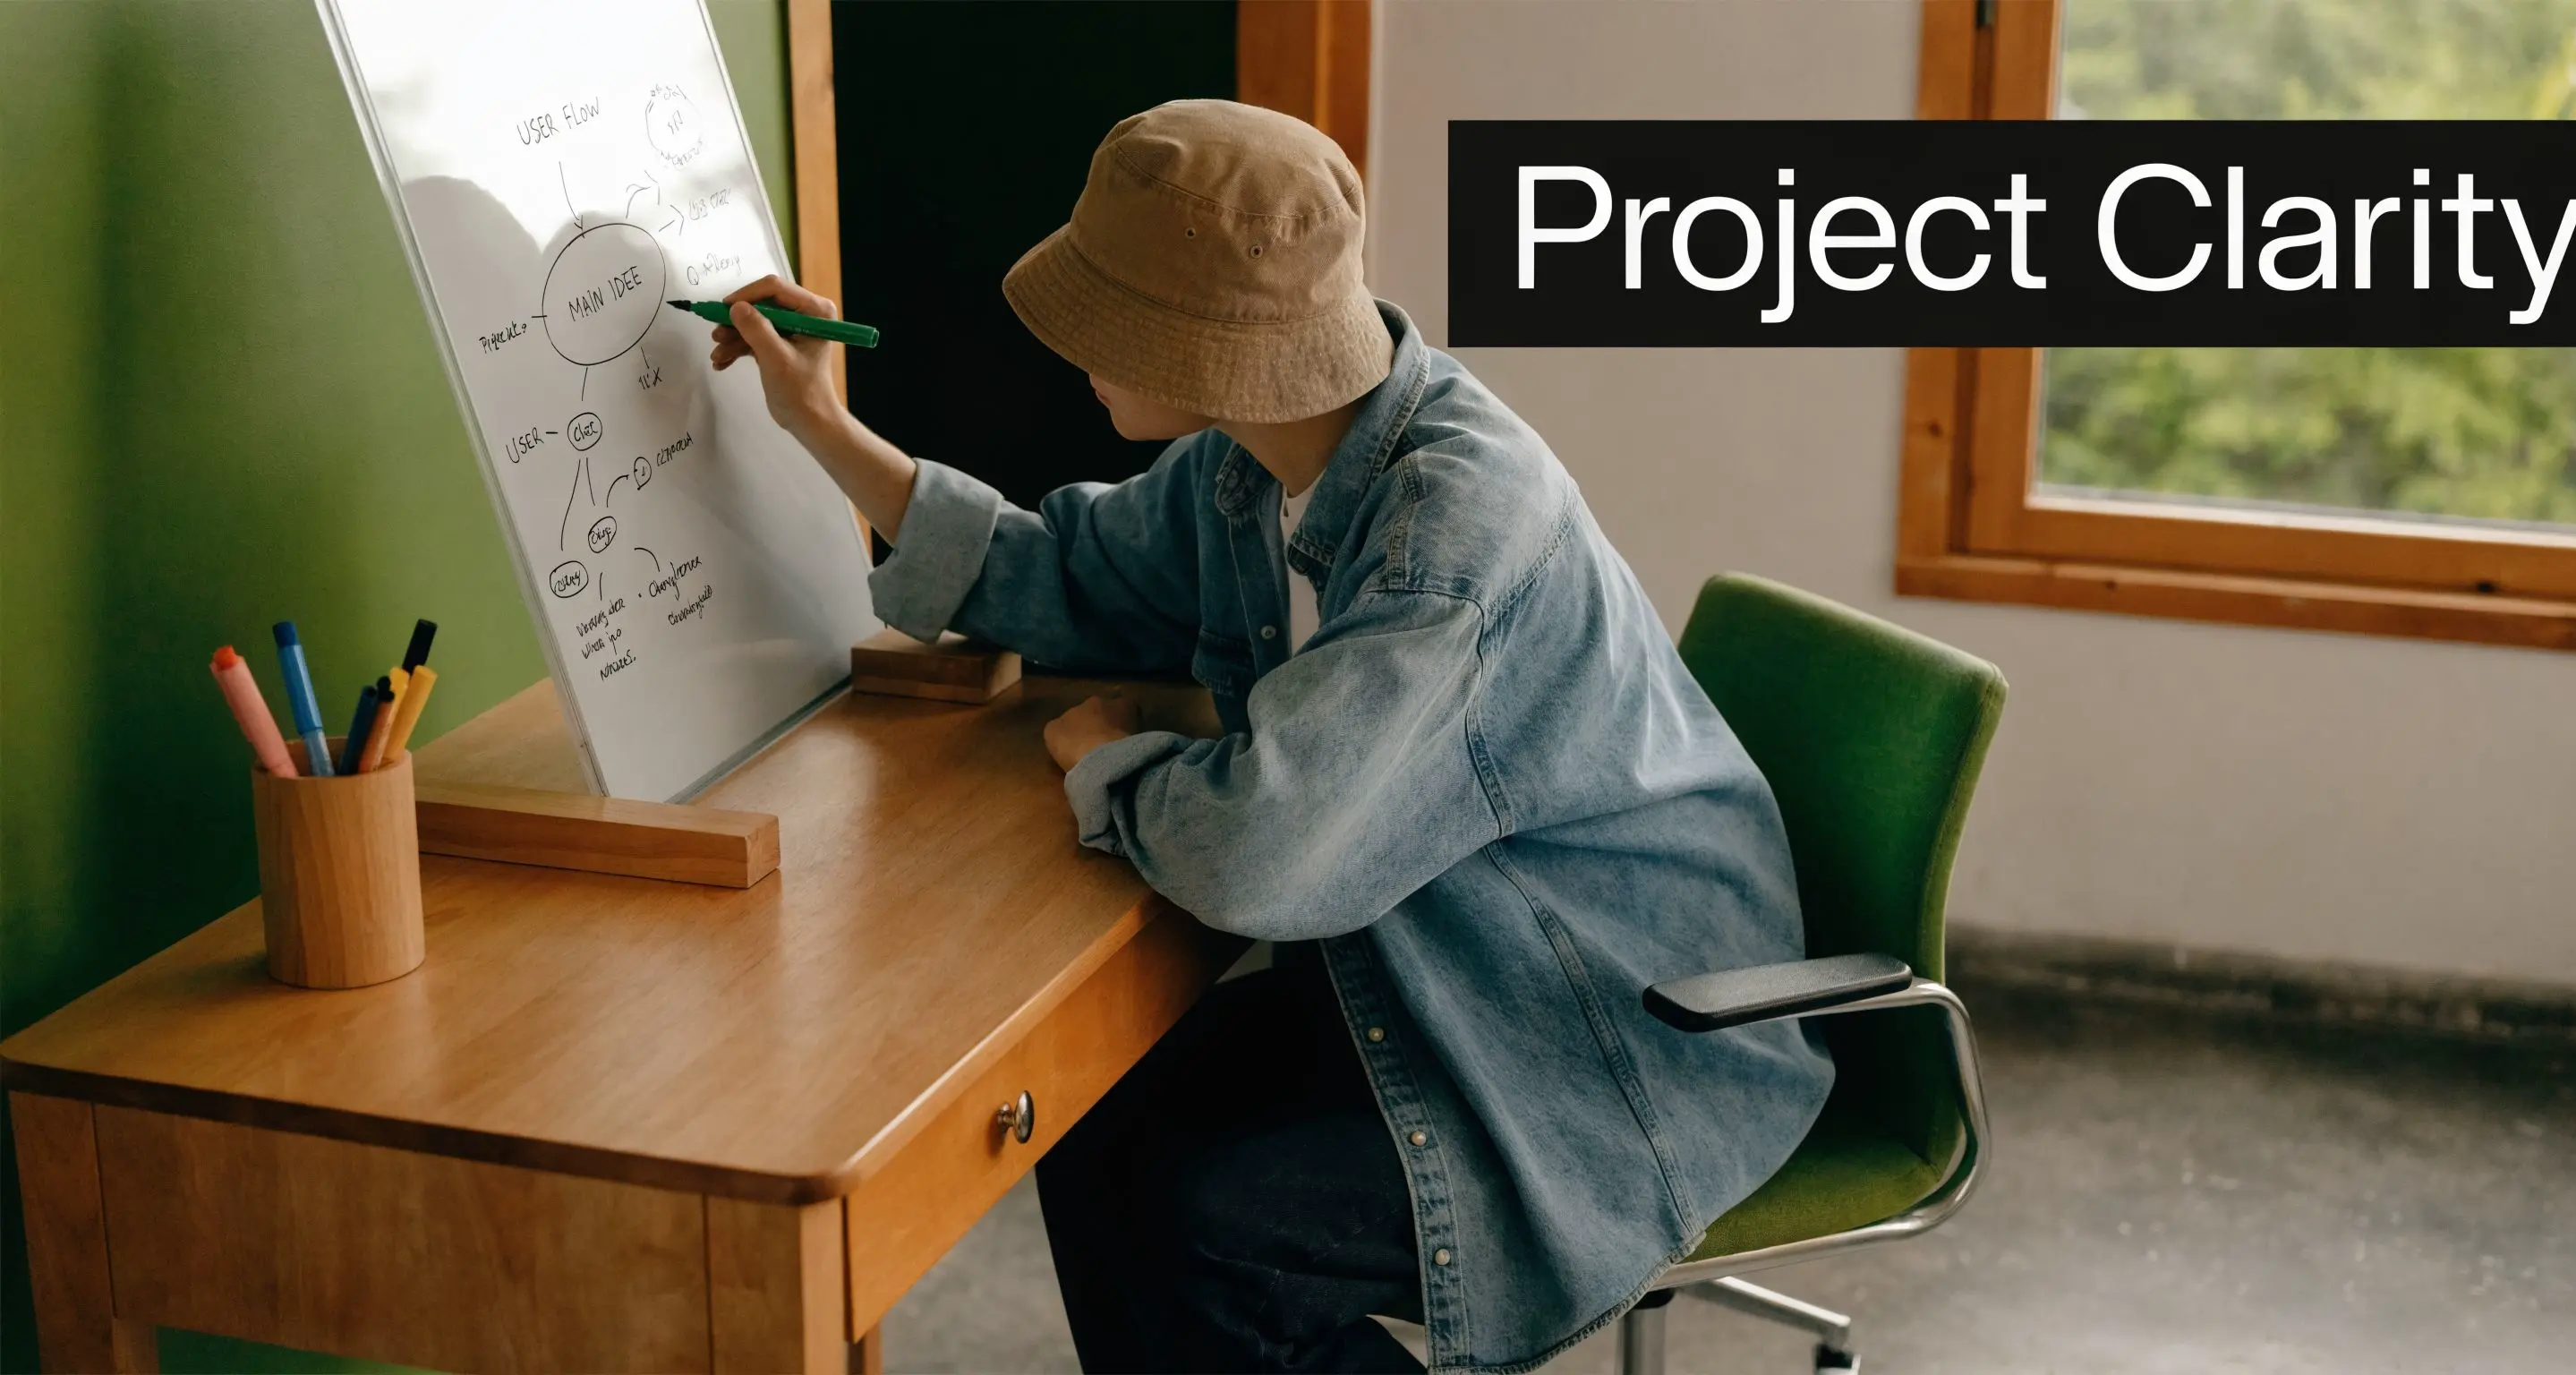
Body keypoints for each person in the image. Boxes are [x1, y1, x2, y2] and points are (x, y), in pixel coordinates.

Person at [710, 99, 1830, 1375]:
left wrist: (1112, 769)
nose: (1077, 351)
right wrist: (821, 429)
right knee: (1096, 1123)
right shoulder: (1256, 458)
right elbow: (1066, 574)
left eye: (1107, 321)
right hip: (1443, 968)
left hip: (1598, 1030)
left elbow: (1258, 857)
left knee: (1210, 1230)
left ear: (1207, 350)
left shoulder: (1449, 536)